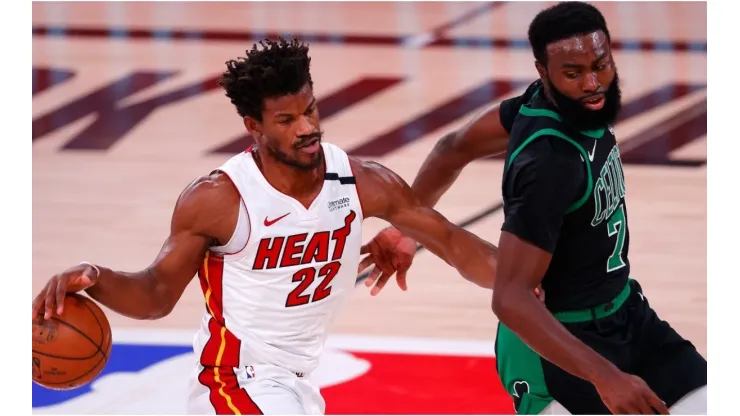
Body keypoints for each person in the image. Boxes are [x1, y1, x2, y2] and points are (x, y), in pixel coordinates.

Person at [31, 37, 503, 415]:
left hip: (295, 382)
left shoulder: (361, 181)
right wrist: (96, 276)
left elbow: (454, 244)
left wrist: (531, 283)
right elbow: (155, 295)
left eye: (311, 109)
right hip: (235, 380)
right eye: (287, 119)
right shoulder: (219, 199)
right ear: (253, 126)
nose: (306, 128)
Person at [360, 2, 707, 415]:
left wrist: (407, 229)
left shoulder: (542, 102)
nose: (593, 83)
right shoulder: (549, 165)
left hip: (625, 314)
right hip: (557, 344)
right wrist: (606, 378)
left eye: (601, 64)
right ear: (544, 72)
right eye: (573, 74)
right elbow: (510, 298)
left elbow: (453, 147)